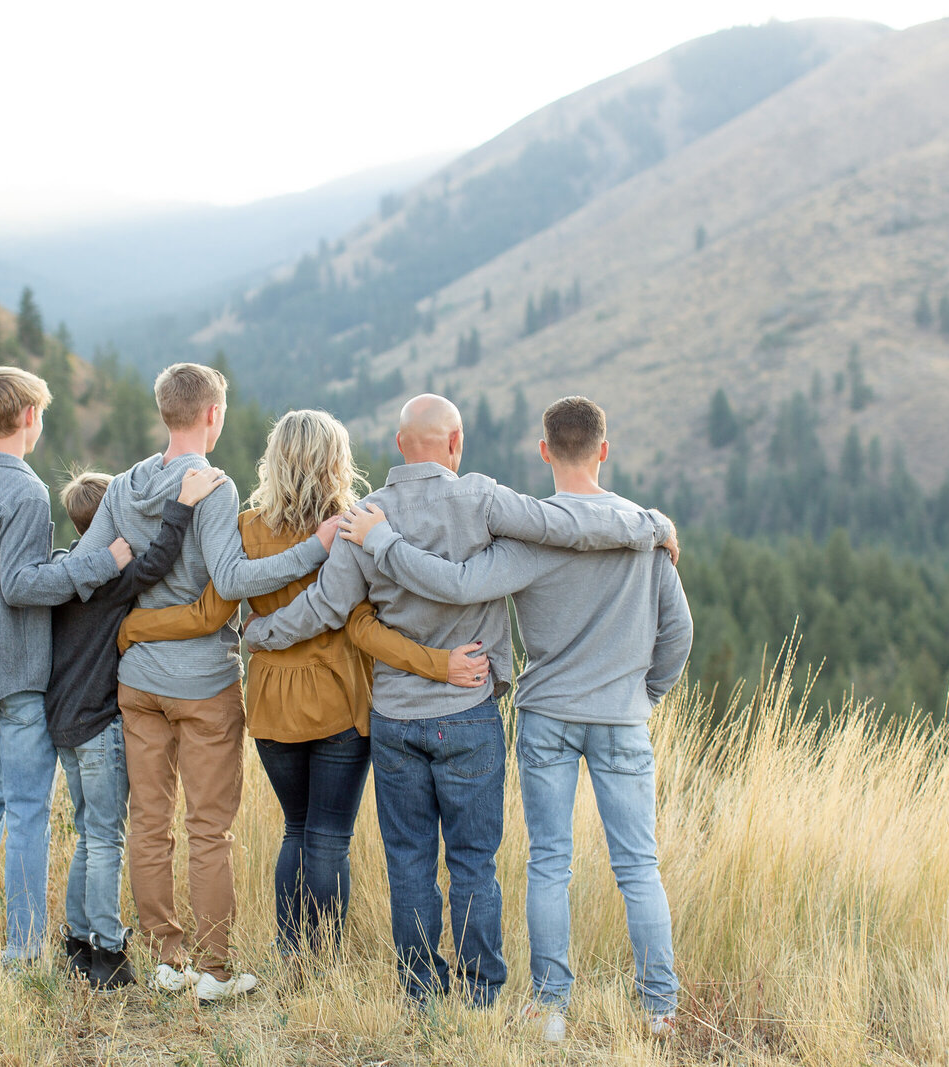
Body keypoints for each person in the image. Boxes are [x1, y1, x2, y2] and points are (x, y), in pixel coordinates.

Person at [243, 393, 676, 1007]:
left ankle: (420, 993)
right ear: (456, 443)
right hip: (469, 711)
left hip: (394, 717)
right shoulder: (484, 499)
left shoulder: (366, 516)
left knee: (409, 862)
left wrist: (258, 633)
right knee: (475, 862)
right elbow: (572, 523)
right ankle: (480, 995)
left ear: (399, 446)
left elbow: (324, 608)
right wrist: (653, 525)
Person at [116, 409, 491, 967]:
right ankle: (322, 961)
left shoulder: (248, 526)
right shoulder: (354, 526)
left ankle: (291, 950)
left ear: (276, 461)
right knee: (329, 838)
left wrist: (131, 627)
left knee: (296, 829)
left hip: (270, 704)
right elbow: (364, 625)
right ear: (335, 463)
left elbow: (210, 613)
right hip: (338, 699)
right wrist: (438, 664)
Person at [72, 363, 336, 1002]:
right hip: (203, 683)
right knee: (209, 829)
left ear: (165, 412)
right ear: (213, 415)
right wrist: (315, 549)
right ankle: (214, 971)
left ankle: (167, 958)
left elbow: (92, 570)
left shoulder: (126, 486)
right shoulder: (213, 486)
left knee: (149, 823)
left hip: (136, 682)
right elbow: (234, 579)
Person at [0, 365, 133, 962]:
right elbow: (21, 585)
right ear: (30, 417)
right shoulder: (25, 492)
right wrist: (99, 563)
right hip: (15, 676)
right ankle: (22, 948)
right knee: (29, 809)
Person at [47, 463, 227, 990]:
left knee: (88, 834)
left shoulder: (63, 572)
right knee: (106, 838)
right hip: (100, 723)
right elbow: (156, 563)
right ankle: (107, 948)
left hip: (63, 724)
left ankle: (76, 939)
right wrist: (184, 505)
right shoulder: (107, 580)